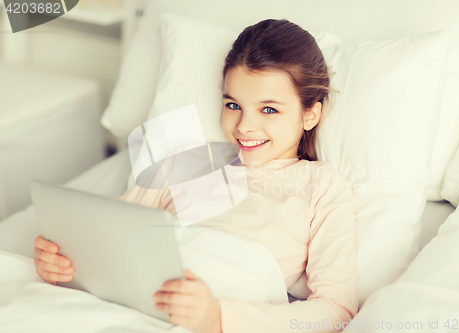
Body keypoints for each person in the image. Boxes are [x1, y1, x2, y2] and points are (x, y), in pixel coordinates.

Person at [33, 19, 358, 333]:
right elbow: (110, 231)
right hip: (135, 302)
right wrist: (63, 259)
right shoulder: (191, 162)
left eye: (269, 109)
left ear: (310, 114)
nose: (244, 126)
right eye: (233, 105)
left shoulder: (321, 185)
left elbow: (336, 310)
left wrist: (218, 318)